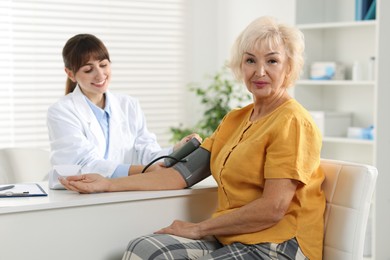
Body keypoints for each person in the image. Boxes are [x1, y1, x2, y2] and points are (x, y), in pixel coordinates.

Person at [60, 16, 325, 260]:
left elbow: (273, 208)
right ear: (240, 65)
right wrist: (107, 184)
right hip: (234, 238)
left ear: (289, 66)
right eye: (250, 60)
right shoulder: (235, 120)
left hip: (279, 243)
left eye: (272, 61)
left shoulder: (292, 121)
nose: (260, 72)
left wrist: (199, 228)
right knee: (144, 249)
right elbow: (177, 175)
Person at [47, 34, 199, 178]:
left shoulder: (129, 105)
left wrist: (176, 149)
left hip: (121, 191)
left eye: (103, 65)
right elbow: (85, 165)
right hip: (77, 196)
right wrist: (145, 170)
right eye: (88, 69)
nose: (100, 75)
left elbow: (147, 154)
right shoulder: (61, 112)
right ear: (70, 74)